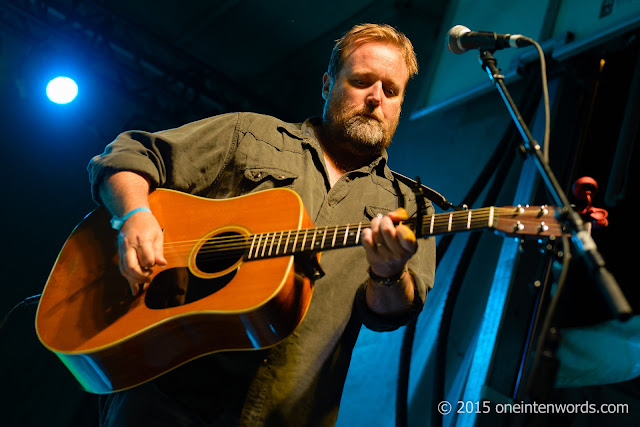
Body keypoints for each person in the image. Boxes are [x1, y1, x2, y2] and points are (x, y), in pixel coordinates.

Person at [88, 23, 436, 426]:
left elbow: (389, 315)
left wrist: (390, 273)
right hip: (163, 394)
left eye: (391, 91)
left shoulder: (409, 207)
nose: (376, 98)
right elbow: (127, 155)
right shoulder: (249, 134)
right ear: (328, 85)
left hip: (282, 414)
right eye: (361, 81)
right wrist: (135, 215)